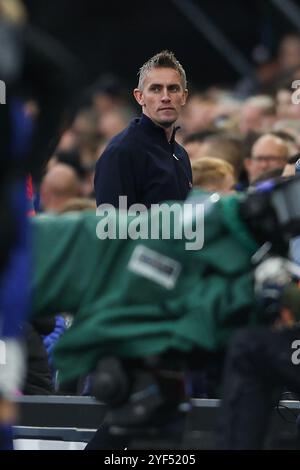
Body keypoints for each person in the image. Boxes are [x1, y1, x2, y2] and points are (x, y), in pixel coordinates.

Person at [94, 50, 192, 209]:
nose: (165, 97)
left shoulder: (181, 154)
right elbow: (112, 229)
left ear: (184, 96)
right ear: (139, 97)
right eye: (156, 89)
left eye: (173, 88)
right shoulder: (121, 152)